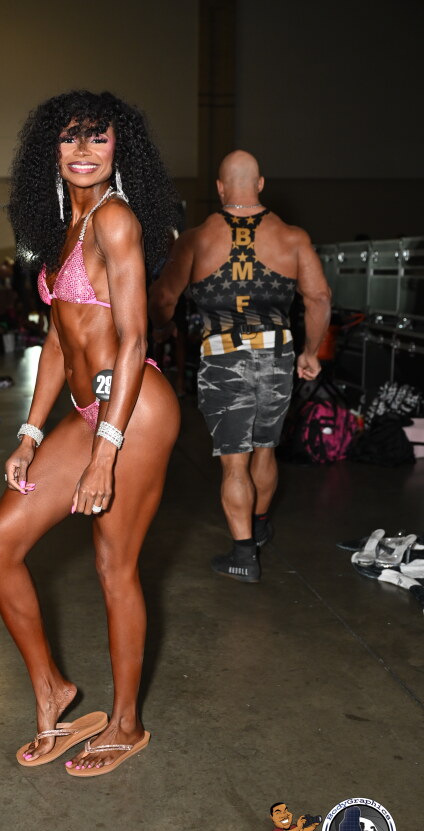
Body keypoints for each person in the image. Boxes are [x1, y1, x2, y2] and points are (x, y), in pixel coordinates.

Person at [0, 90, 180, 776]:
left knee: (113, 568)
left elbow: (133, 340)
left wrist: (105, 453)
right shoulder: (67, 226)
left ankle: (126, 722)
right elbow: (60, 344)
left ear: (121, 149)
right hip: (89, 413)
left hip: (135, 413)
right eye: (70, 137)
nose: (84, 150)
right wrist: (31, 433)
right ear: (51, 150)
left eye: (99, 136)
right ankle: (52, 690)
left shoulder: (115, 220)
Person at [149, 150, 331, 582]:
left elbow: (163, 298)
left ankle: (244, 555)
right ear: (260, 184)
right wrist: (310, 352)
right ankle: (261, 524)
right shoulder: (293, 237)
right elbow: (319, 298)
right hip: (276, 353)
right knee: (265, 449)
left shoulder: (195, 239)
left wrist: (161, 328)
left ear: (219, 188)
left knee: (235, 463)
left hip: (223, 355)